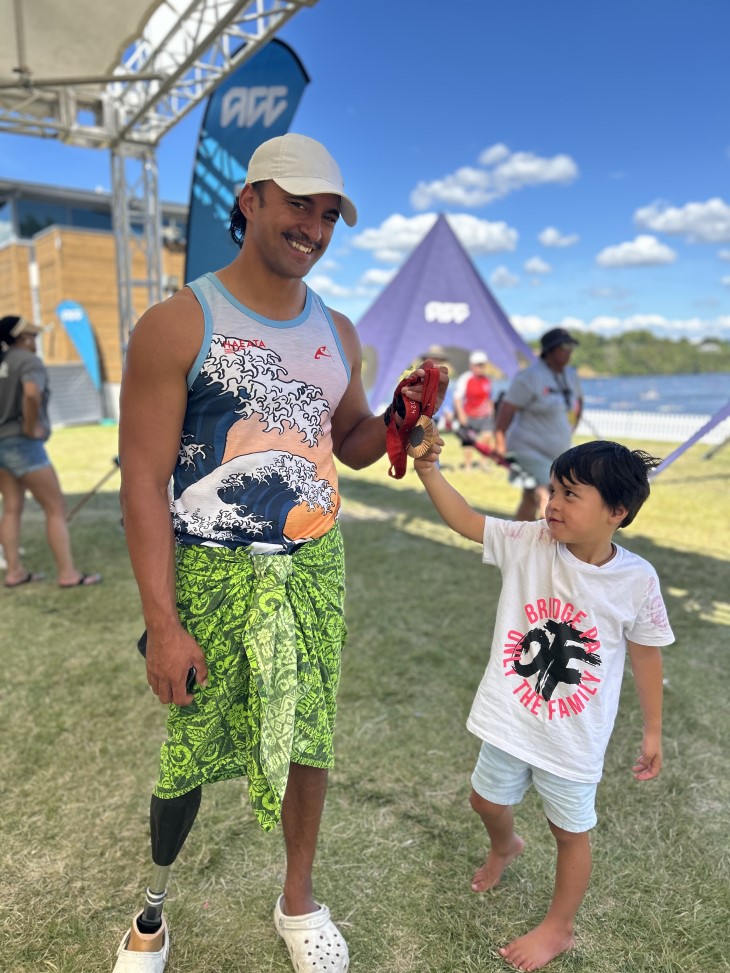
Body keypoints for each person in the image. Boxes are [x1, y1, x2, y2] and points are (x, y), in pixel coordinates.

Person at [115, 133, 447, 973]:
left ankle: (298, 898)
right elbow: (143, 484)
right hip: (211, 569)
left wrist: (400, 418)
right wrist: (162, 622)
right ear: (250, 199)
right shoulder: (178, 322)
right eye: (299, 203)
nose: (314, 225)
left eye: (329, 212)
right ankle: (152, 913)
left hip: (312, 566)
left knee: (308, 736)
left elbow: (354, 442)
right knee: (189, 742)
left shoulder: (337, 329)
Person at [414, 437, 673, 971]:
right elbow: (465, 520)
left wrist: (653, 732)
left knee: (569, 834)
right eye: (552, 489)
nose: (551, 502)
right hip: (511, 719)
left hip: (572, 740)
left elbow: (647, 656)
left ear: (616, 513)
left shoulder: (637, 580)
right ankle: (505, 844)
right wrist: (430, 470)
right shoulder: (529, 541)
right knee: (485, 803)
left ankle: (560, 927)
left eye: (570, 495)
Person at [0, 315, 102, 589]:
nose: (35, 340)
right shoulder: (28, 361)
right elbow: (31, 394)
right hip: (23, 443)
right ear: (23, 338)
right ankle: (68, 574)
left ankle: (14, 572)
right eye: (32, 335)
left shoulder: (4, 362)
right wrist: (31, 427)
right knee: (55, 507)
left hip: (2, 444)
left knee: (11, 508)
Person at [495, 328, 583, 520]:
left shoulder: (571, 376)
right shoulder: (529, 377)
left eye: (571, 346)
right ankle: (550, 546)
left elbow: (579, 401)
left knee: (529, 498)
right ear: (550, 350)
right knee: (546, 494)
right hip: (528, 449)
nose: (569, 351)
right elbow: (507, 409)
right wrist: (500, 441)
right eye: (564, 346)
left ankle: (515, 540)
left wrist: (573, 424)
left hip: (557, 453)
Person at [453, 350, 494, 471]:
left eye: (482, 365)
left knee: (487, 437)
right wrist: (461, 415)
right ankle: (468, 465)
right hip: (469, 414)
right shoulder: (465, 379)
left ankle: (483, 463)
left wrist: (492, 412)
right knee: (468, 441)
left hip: (485, 416)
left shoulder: (487, 380)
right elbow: (458, 398)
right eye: (477, 365)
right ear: (472, 365)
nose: (480, 367)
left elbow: (489, 398)